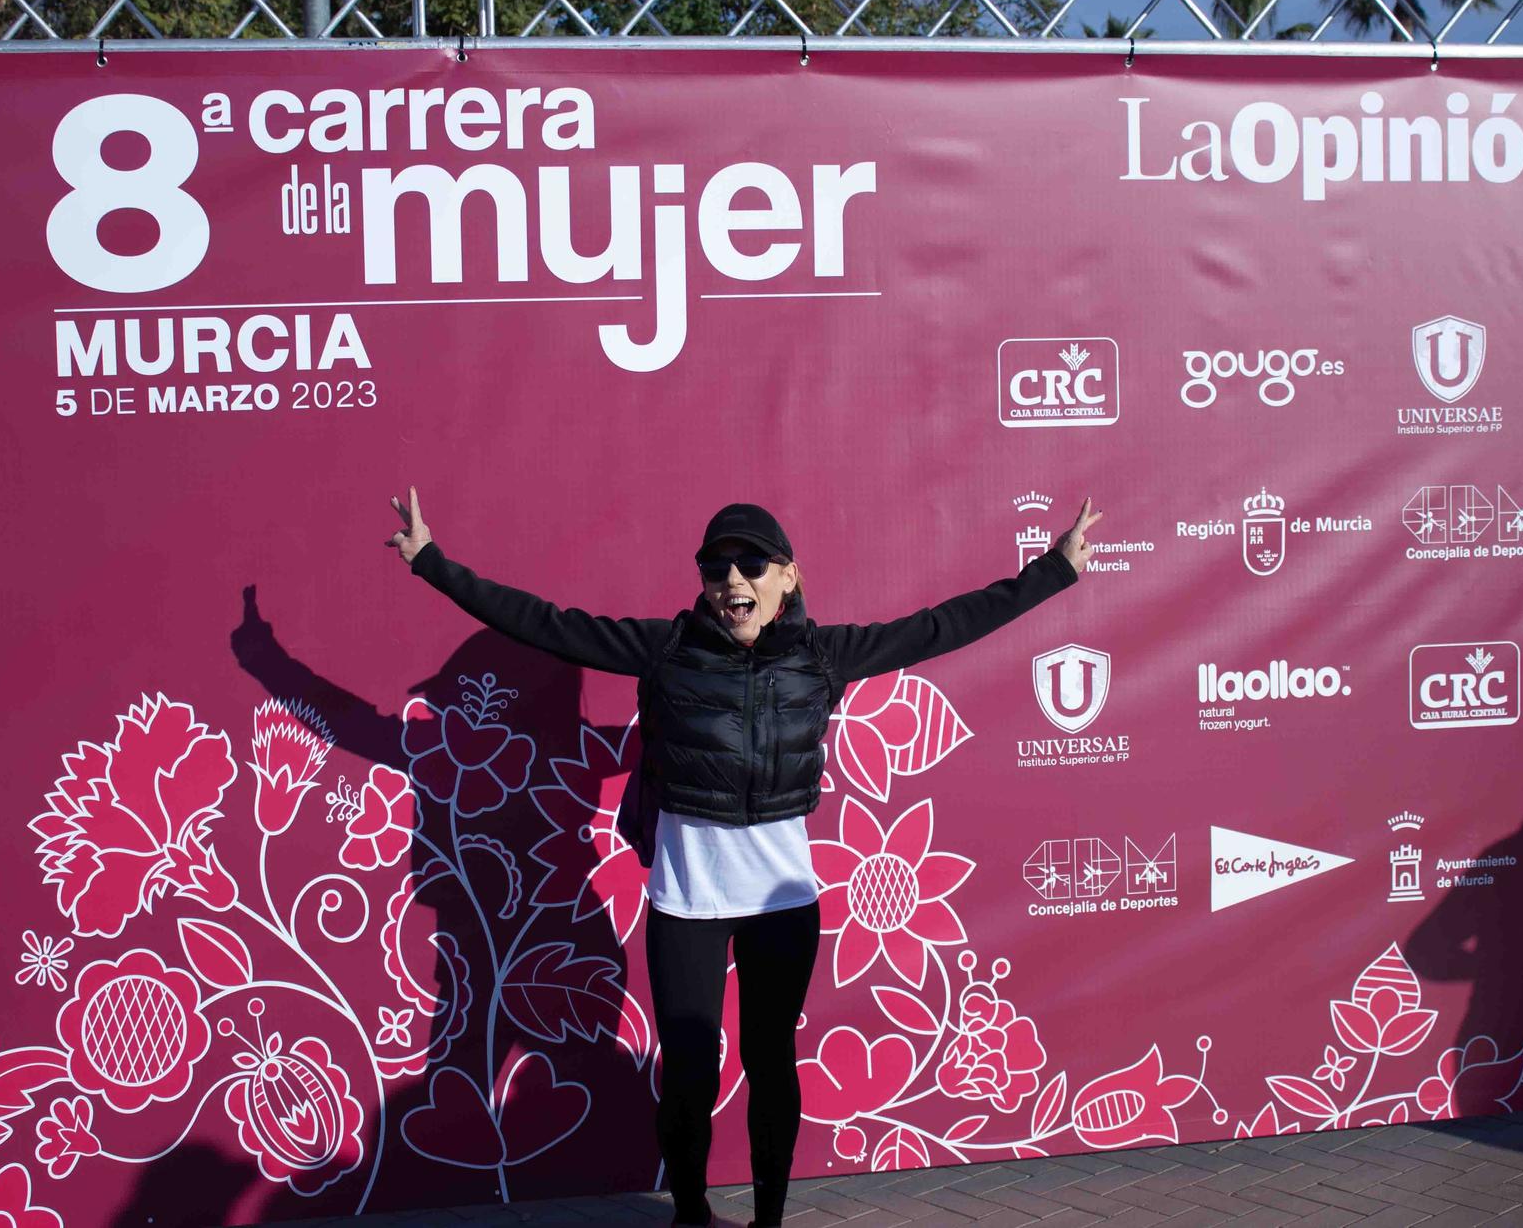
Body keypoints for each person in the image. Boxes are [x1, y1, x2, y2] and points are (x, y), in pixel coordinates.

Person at [386, 491, 1100, 1228]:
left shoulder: (822, 656)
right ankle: (690, 1214)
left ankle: (767, 1220)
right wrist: (432, 563)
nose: (731, 578)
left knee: (771, 1065)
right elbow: (543, 623)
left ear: (786, 576)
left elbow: (939, 627)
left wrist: (1054, 569)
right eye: (714, 565)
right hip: (686, 902)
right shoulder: (666, 648)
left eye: (750, 563)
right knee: (689, 1074)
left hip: (781, 906)